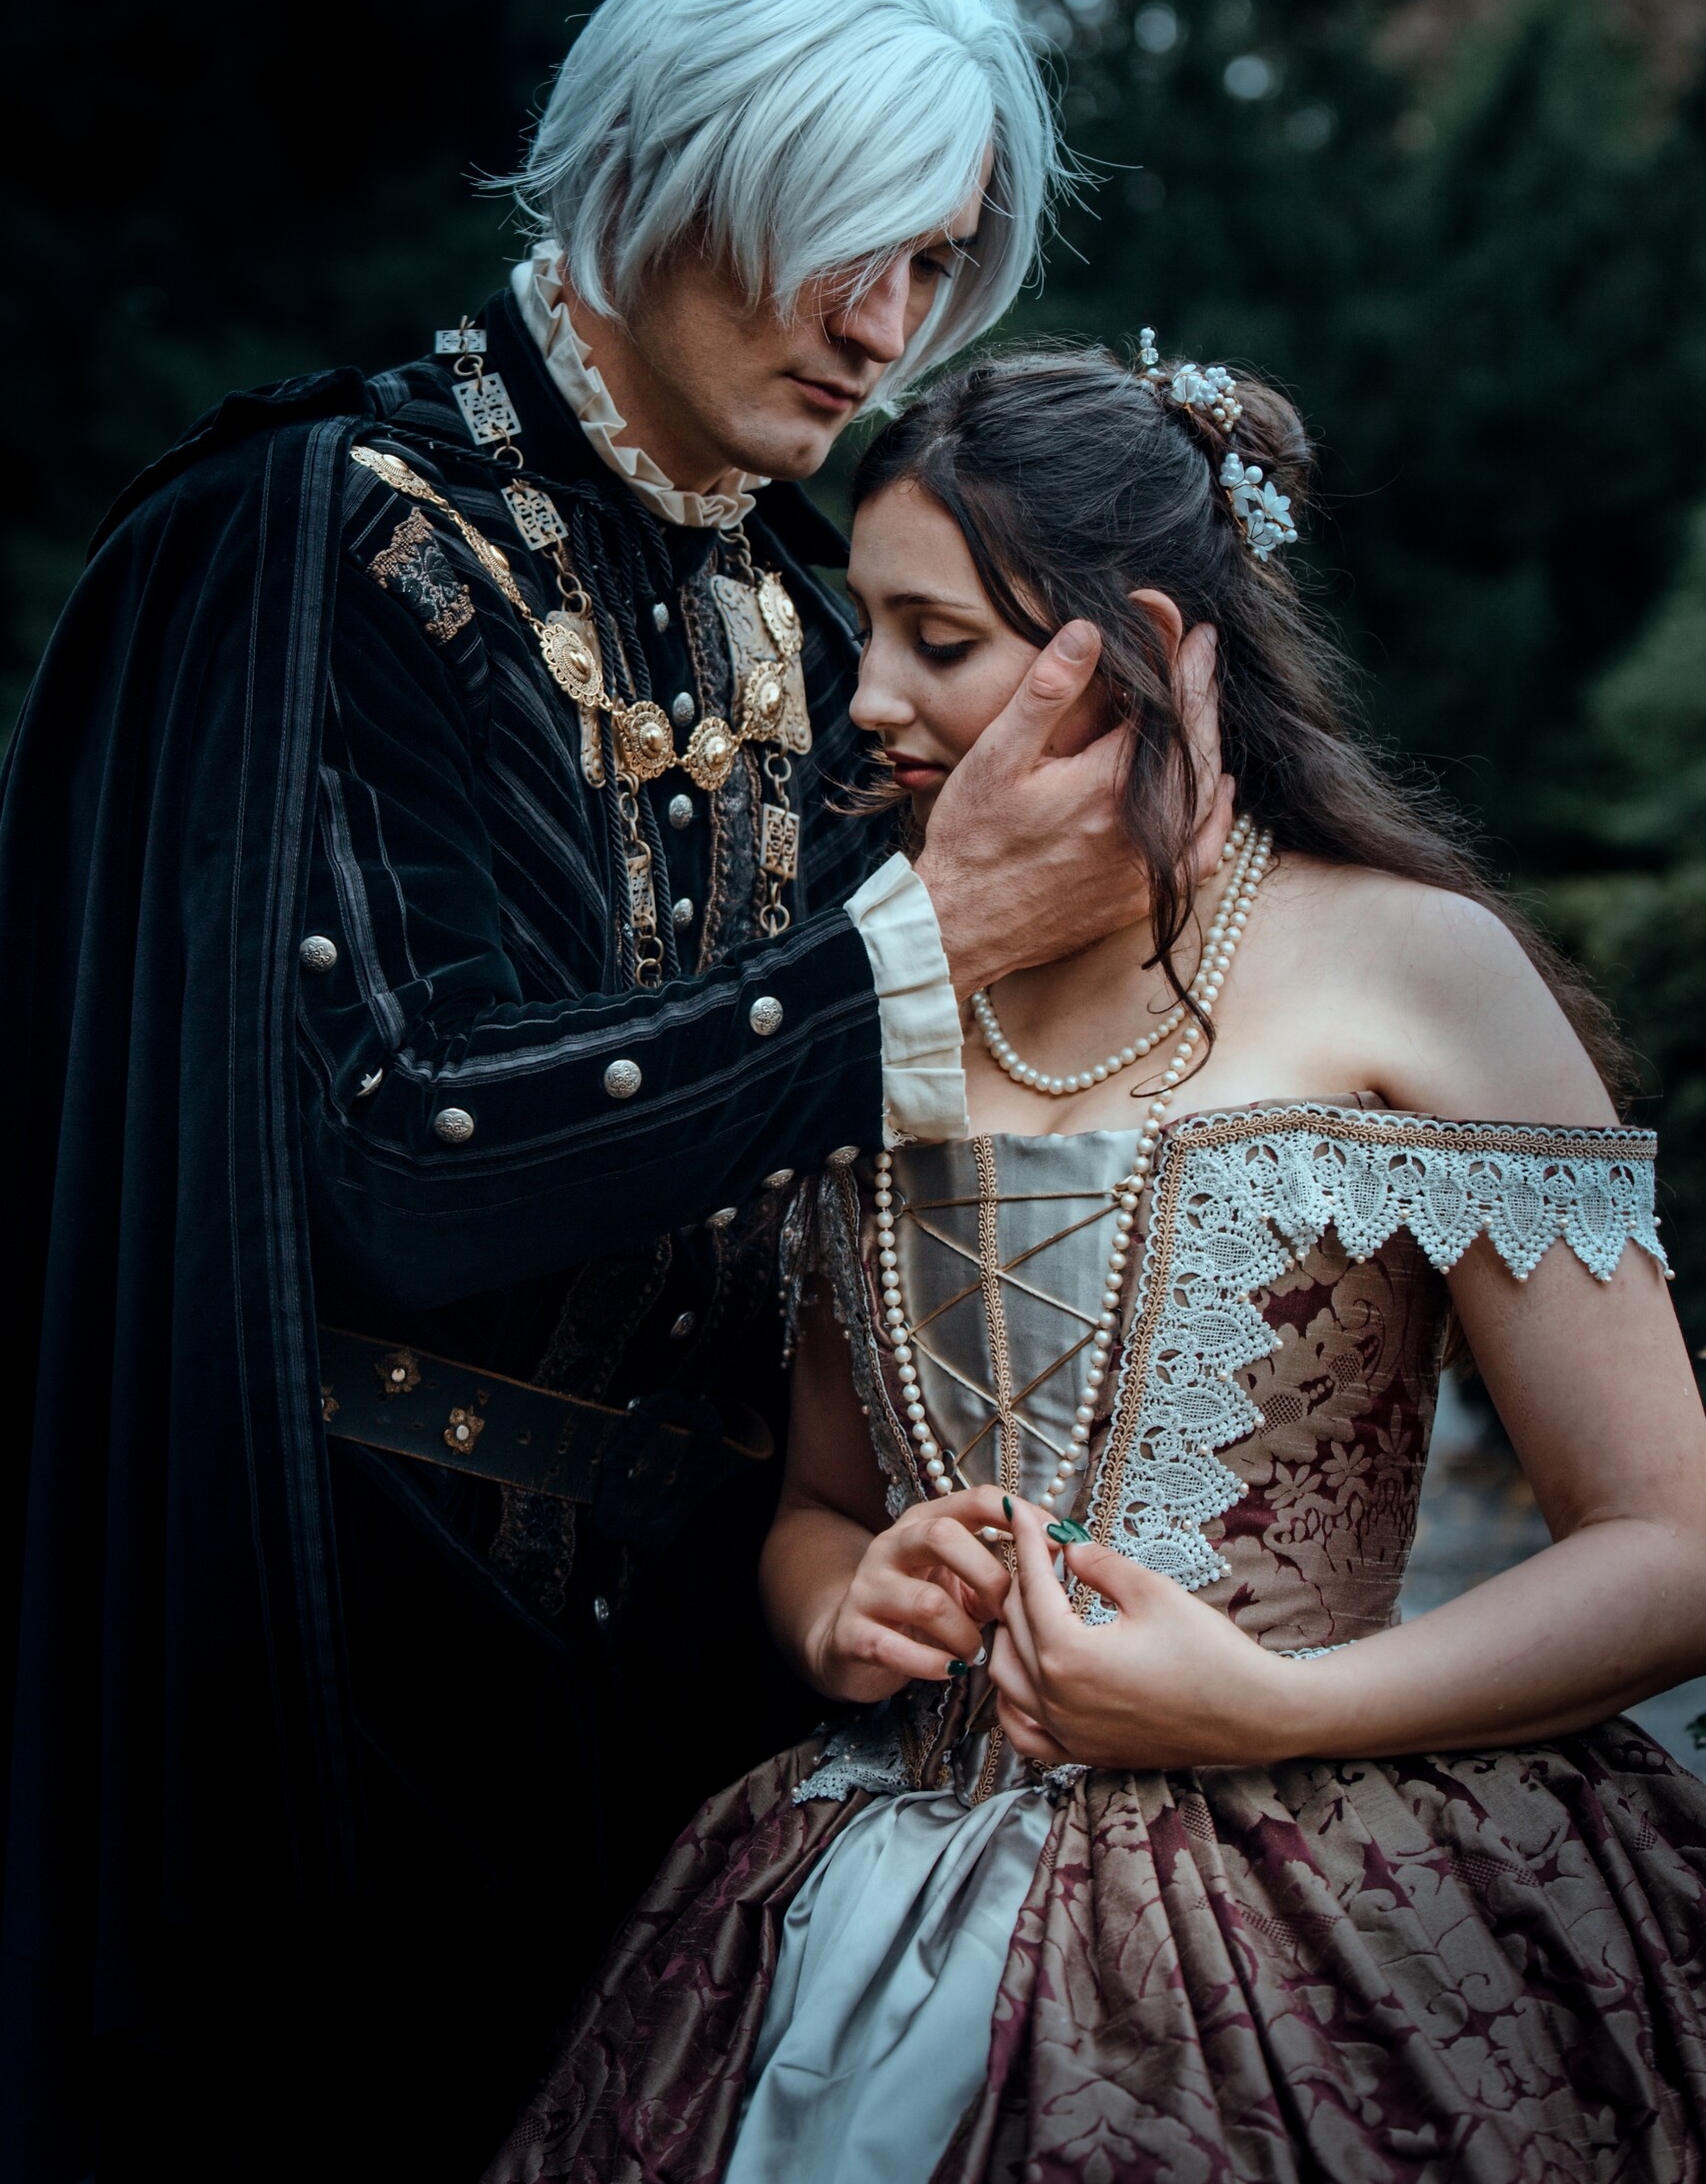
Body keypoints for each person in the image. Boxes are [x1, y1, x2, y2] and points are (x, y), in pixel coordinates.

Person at [0, 0, 1232, 2184]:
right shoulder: (325, 535)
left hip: (714, 1697)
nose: (881, 325)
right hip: (336, 1682)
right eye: (843, 238)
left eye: (930, 261)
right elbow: (390, 1154)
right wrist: (907, 948)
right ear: (668, 164)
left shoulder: (805, 605)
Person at [487, 345, 1706, 2184]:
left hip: (1327, 1888)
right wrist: (839, 1601)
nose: (864, 696)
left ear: (1131, 645)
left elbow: (1674, 1549)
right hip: (865, 1888)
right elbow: (820, 1503)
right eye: (864, 630)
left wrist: (1273, 1709)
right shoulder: (871, 991)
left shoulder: (1417, 966)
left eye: (939, 639)